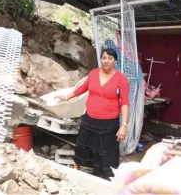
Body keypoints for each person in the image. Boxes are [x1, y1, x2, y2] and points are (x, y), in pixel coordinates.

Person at [55, 48, 129, 180]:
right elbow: (81, 89)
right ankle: (76, 169)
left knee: (105, 150)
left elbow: (125, 103)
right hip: (89, 118)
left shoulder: (121, 79)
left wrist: (124, 125)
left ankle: (104, 176)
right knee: (82, 144)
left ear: (115, 61)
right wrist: (66, 97)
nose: (106, 61)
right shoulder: (94, 73)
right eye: (104, 58)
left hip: (108, 123)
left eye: (109, 58)